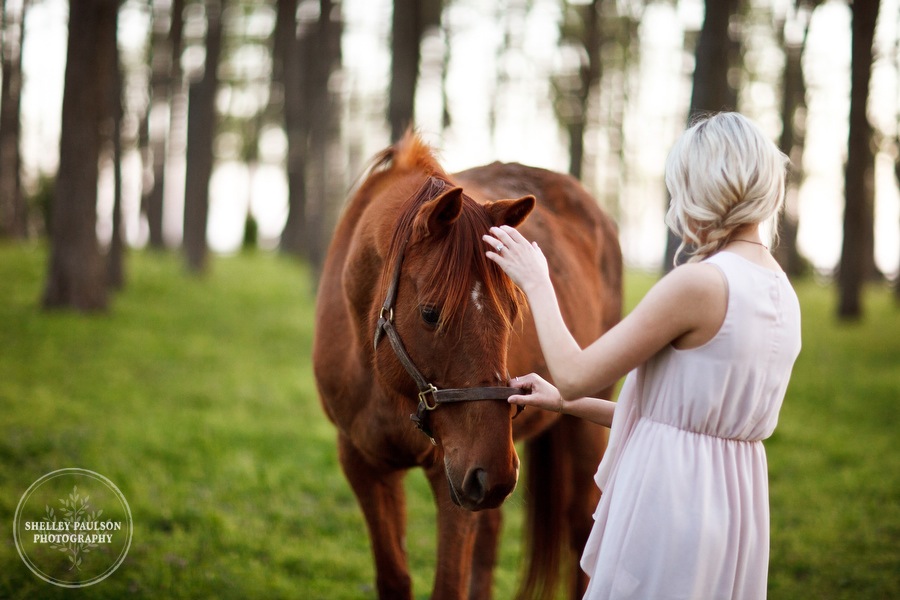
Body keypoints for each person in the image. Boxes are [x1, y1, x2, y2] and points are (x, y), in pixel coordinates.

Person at [483, 112, 801, 600]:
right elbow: (673, 422)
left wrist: (537, 280)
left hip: (669, 504)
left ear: (707, 187)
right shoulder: (780, 290)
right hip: (733, 507)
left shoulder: (700, 284)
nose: (676, 206)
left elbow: (573, 373)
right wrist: (563, 406)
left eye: (680, 190)